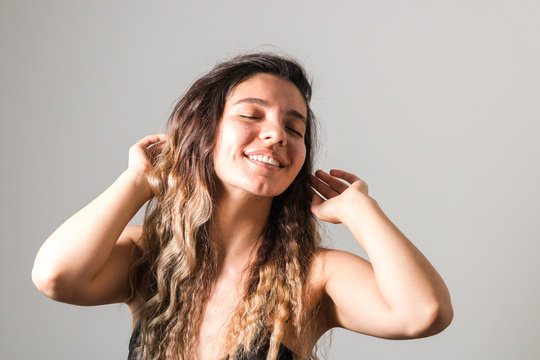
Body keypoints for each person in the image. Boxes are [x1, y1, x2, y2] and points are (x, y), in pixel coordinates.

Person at [31, 52, 453, 360]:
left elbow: (424, 313)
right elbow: (56, 277)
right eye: (252, 115)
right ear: (204, 134)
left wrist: (361, 210)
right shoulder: (149, 258)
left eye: (294, 127)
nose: (277, 134)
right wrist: (139, 181)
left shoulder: (315, 276)